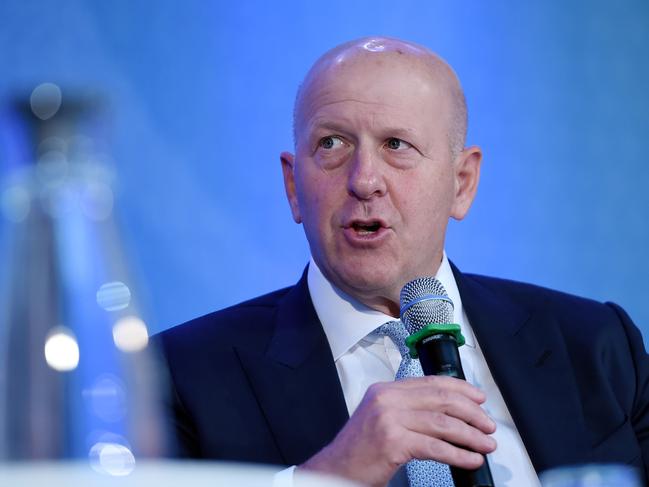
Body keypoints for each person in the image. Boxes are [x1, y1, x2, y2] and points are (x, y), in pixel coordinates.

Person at [156, 37, 649, 486]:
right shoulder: (180, 376)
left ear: (462, 183)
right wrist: (329, 476)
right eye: (332, 144)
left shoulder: (596, 346)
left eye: (397, 145)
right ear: (292, 187)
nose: (364, 179)